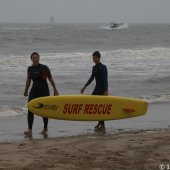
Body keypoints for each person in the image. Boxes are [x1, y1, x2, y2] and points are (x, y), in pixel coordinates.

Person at [24, 52, 59, 136]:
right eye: (34, 58)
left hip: (44, 90)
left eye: (36, 57)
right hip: (34, 90)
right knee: (30, 108)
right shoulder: (30, 69)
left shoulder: (44, 68)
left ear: (39, 58)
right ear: (31, 59)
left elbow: (50, 79)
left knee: (44, 110)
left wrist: (55, 89)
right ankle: (30, 130)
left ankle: (45, 128)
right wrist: (26, 90)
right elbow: (28, 80)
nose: (35, 59)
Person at [80, 51, 108, 130]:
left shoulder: (103, 67)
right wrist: (84, 87)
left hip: (102, 89)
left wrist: (106, 90)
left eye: (95, 57)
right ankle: (100, 123)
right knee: (94, 104)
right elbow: (92, 78)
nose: (94, 59)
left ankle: (101, 124)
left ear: (99, 58)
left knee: (100, 107)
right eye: (93, 57)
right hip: (97, 88)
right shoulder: (94, 68)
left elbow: (105, 79)